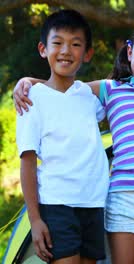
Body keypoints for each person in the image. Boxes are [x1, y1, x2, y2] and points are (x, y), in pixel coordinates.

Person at [15, 22, 134, 263]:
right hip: (122, 196)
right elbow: (65, 89)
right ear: (130, 52)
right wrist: (28, 81)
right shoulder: (111, 90)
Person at [16, 9, 109, 264]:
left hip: (93, 203)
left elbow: (124, 90)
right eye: (57, 43)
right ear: (43, 49)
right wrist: (35, 220)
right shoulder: (30, 100)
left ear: (87, 54)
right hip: (57, 204)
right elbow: (27, 162)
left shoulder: (89, 97)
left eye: (76, 44)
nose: (66, 50)